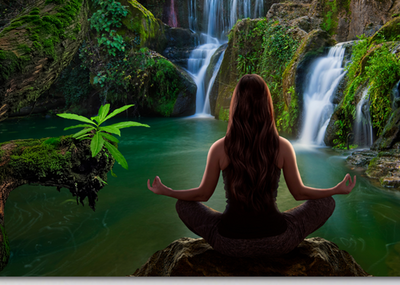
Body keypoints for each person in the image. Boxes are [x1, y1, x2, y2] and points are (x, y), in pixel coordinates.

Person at [147, 73, 355, 257]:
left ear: (236, 104)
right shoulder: (282, 146)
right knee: (326, 202)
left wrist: (168, 191)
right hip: (278, 241)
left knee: (183, 204)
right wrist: (335, 190)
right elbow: (299, 193)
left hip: (228, 243)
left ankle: (230, 224)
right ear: (267, 104)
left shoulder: (220, 148)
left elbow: (202, 195)